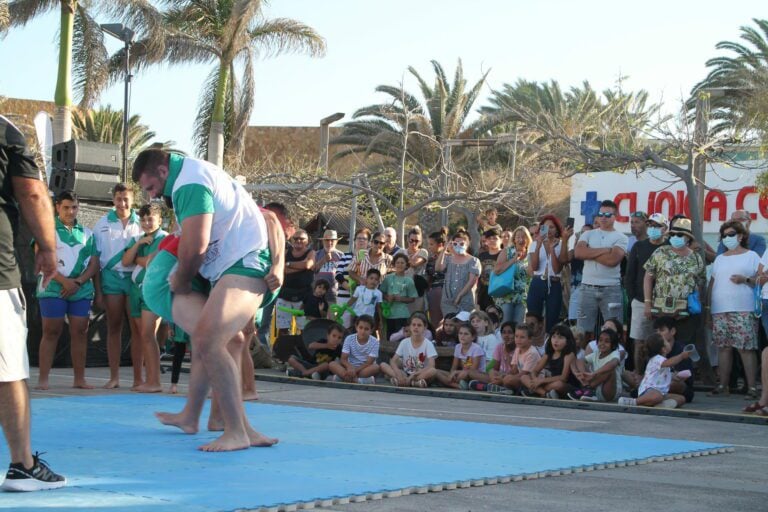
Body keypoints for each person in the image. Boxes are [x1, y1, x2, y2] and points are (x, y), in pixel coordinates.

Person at [133, 148, 281, 452]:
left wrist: (184, 280)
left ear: (163, 171)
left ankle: (234, 429)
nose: (152, 196)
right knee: (215, 339)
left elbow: (197, 245)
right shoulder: (198, 177)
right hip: (213, 272)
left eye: (150, 187)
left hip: (236, 266)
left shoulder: (189, 181)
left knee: (216, 339)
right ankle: (227, 424)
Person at [0, 114, 66, 491]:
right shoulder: (4, 129)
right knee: (7, 370)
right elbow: (33, 192)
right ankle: (23, 464)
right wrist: (48, 246)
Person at [34, 190, 100, 391]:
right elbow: (41, 259)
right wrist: (64, 282)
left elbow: (94, 265)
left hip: (80, 289)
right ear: (57, 207)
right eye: (66, 207)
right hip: (52, 286)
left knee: (80, 331)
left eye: (74, 207)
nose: (70, 211)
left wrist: (77, 282)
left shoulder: (88, 233)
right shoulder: (46, 229)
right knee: (51, 331)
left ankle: (79, 379)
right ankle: (43, 380)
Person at [92, 183, 143, 389]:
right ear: (113, 199)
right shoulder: (102, 223)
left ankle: (138, 379)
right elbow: (95, 259)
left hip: (135, 279)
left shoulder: (142, 221)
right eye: (119, 199)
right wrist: (98, 291)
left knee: (137, 329)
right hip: (111, 279)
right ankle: (114, 377)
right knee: (114, 327)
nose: (122, 203)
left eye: (126, 199)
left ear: (132, 200)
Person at [706, 220, 760, 398]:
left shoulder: (752, 256)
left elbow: (759, 281)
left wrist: (745, 280)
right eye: (724, 236)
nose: (727, 238)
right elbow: (712, 283)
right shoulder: (720, 259)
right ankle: (723, 385)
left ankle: (752, 386)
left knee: (745, 348)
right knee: (723, 348)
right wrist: (708, 308)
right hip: (720, 309)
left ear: (741, 236)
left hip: (744, 307)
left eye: (731, 235)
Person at [121, 203, 168, 393]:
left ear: (159, 220)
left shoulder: (164, 238)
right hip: (136, 290)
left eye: (151, 219)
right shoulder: (138, 239)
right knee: (141, 336)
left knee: (149, 334)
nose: (147, 223)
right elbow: (125, 261)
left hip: (153, 290)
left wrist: (137, 259)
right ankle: (144, 379)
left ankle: (154, 380)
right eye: (143, 219)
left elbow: (152, 262)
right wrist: (139, 245)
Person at [643, 217, 706, 348]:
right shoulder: (660, 252)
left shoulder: (696, 257)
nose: (675, 237)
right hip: (661, 309)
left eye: (679, 235)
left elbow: (701, 282)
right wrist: (647, 303)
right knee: (661, 345)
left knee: (684, 345)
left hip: (686, 312)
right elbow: (648, 277)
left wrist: (698, 305)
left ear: (688, 238)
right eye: (672, 234)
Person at [574, 200, 627, 338]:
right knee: (582, 332)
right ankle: (583, 358)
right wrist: (605, 250)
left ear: (615, 216)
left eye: (608, 214)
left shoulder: (621, 237)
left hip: (611, 289)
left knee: (614, 330)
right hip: (587, 288)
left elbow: (612, 261)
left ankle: (615, 359)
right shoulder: (588, 234)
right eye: (601, 214)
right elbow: (578, 253)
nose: (603, 217)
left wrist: (589, 252)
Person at [625, 213, 668, 369]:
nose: (653, 229)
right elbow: (629, 275)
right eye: (650, 225)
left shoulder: (669, 247)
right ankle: (638, 374)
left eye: (657, 226)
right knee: (639, 341)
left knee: (661, 340)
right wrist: (633, 299)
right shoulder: (639, 246)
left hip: (663, 303)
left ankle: (658, 373)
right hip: (640, 301)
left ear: (665, 228)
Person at [618, 333, 691, 409]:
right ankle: (634, 401)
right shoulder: (657, 359)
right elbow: (669, 363)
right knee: (657, 396)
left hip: (661, 393)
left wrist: (678, 377)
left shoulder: (663, 361)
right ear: (664, 349)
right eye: (666, 342)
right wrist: (681, 356)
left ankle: (662, 405)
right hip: (649, 391)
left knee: (681, 399)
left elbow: (664, 377)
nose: (668, 343)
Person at [527, 215, 570, 332]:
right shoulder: (535, 244)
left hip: (554, 283)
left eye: (552, 227)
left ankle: (548, 345)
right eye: (545, 227)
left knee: (552, 320)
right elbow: (534, 267)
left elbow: (557, 270)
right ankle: (533, 346)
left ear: (556, 229)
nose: (549, 230)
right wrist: (538, 246)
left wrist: (552, 249)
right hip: (537, 282)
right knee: (533, 319)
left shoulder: (561, 244)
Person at [380, 312, 438, 388]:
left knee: (433, 371)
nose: (416, 327)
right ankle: (409, 382)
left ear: (425, 327)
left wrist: (413, 375)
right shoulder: (404, 342)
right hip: (405, 373)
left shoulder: (428, 344)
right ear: (410, 327)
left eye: (419, 325)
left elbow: (431, 365)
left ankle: (404, 381)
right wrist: (398, 373)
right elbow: (393, 361)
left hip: (419, 374)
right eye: (413, 325)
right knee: (383, 365)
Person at [524, 323, 579, 399]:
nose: (556, 341)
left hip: (566, 385)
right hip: (550, 383)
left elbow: (563, 377)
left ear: (568, 341)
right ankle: (543, 393)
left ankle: (535, 391)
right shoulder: (549, 354)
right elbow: (535, 371)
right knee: (524, 377)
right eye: (553, 337)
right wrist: (535, 380)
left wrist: (542, 381)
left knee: (558, 384)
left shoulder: (569, 355)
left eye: (560, 338)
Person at [277, 229, 315, 334]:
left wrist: (288, 264)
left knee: (304, 329)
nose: (298, 241)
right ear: (292, 240)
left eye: (302, 239)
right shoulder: (285, 252)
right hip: (284, 295)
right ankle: (284, 350)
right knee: (283, 329)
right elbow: (281, 269)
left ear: (307, 241)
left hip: (304, 296)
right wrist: (301, 265)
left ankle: (302, 350)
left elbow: (308, 265)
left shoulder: (311, 253)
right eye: (296, 238)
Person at [569, 329, 622, 402]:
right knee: (580, 361)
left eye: (607, 341)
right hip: (595, 389)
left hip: (609, 392)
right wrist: (577, 373)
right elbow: (579, 361)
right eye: (600, 340)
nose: (602, 343)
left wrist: (594, 374)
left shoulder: (615, 353)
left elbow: (613, 364)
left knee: (610, 370)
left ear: (613, 344)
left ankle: (587, 389)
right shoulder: (596, 354)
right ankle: (587, 388)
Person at [493, 225, 531, 325]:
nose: (521, 239)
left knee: (520, 326)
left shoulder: (531, 254)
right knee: (506, 325)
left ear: (528, 239)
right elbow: (497, 270)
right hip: (507, 295)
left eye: (524, 237)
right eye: (518, 237)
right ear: (514, 239)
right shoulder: (507, 251)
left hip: (523, 297)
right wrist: (513, 260)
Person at [436, 230, 481, 315]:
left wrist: (460, 295)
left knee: (464, 324)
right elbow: (438, 268)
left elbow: (472, 281)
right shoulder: (448, 258)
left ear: (467, 244)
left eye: (461, 244)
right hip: (448, 301)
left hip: (466, 300)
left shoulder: (473, 261)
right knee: (450, 324)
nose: (458, 246)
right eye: (455, 243)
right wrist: (444, 250)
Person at [329, 315, 380, 384]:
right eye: (360, 328)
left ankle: (344, 378)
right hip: (349, 367)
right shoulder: (349, 338)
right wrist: (350, 368)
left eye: (366, 329)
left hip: (364, 369)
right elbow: (343, 359)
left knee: (376, 367)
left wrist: (354, 371)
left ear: (371, 330)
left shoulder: (375, 342)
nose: (363, 331)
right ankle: (359, 381)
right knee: (332, 364)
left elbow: (369, 363)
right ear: (356, 327)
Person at [434, 323, 487, 390]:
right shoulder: (458, 347)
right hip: (461, 374)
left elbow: (473, 370)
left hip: (475, 376)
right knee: (435, 371)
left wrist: (456, 373)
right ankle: (458, 385)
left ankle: (450, 383)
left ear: (473, 337)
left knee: (464, 373)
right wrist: (452, 374)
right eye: (460, 333)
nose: (462, 336)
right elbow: (454, 367)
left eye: (466, 334)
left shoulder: (476, 348)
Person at [335, 228, 370, 328]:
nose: (361, 240)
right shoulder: (346, 256)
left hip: (362, 299)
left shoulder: (370, 258)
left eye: (364, 238)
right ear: (354, 241)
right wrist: (347, 286)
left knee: (359, 325)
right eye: (359, 238)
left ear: (368, 242)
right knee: (342, 325)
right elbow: (338, 273)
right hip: (344, 296)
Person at [379, 253, 418, 337]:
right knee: (390, 337)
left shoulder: (409, 280)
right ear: (394, 264)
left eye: (402, 263)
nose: (400, 265)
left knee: (402, 337)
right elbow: (381, 292)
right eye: (397, 262)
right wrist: (387, 297)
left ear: (406, 265)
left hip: (403, 314)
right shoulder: (388, 278)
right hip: (389, 314)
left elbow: (413, 298)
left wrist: (400, 299)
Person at [470, 321, 515, 392]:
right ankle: (496, 387)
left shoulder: (519, 349)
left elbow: (515, 372)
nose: (506, 335)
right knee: (487, 372)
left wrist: (501, 377)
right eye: (504, 332)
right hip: (499, 376)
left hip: (510, 377)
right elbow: (494, 368)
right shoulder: (459, 347)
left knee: (508, 379)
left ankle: (489, 386)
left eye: (510, 332)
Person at [566, 223, 592, 324]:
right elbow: (566, 258)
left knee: (586, 323)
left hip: (589, 290)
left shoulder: (594, 251)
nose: (583, 235)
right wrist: (576, 242)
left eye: (586, 233)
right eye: (581, 232)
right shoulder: (574, 251)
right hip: (575, 290)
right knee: (573, 321)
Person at [425, 228, 448, 327]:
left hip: (446, 292)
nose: (429, 247)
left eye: (431, 244)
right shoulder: (430, 260)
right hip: (433, 293)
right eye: (428, 244)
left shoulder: (450, 258)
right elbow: (429, 278)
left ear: (440, 245)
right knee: (435, 322)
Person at [476, 228, 503, 311]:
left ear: (501, 240)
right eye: (489, 238)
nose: (492, 240)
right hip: (483, 293)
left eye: (495, 238)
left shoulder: (504, 254)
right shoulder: (481, 256)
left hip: (499, 293)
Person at [314, 229, 344, 304]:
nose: (329, 243)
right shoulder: (316, 254)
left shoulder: (342, 256)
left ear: (336, 241)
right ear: (323, 241)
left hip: (334, 295)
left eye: (332, 240)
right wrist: (323, 260)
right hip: (316, 295)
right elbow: (312, 270)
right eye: (327, 240)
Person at [404, 226, 429, 313]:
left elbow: (415, 264)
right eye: (411, 240)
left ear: (420, 241)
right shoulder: (401, 252)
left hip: (417, 291)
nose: (414, 243)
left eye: (416, 241)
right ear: (407, 239)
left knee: (417, 316)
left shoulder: (423, 252)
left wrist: (402, 262)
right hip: (403, 291)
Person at [167, 323, 189, 394]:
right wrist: (170, 327)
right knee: (178, 355)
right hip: (180, 322)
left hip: (197, 320)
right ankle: (174, 383)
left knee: (197, 356)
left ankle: (196, 386)